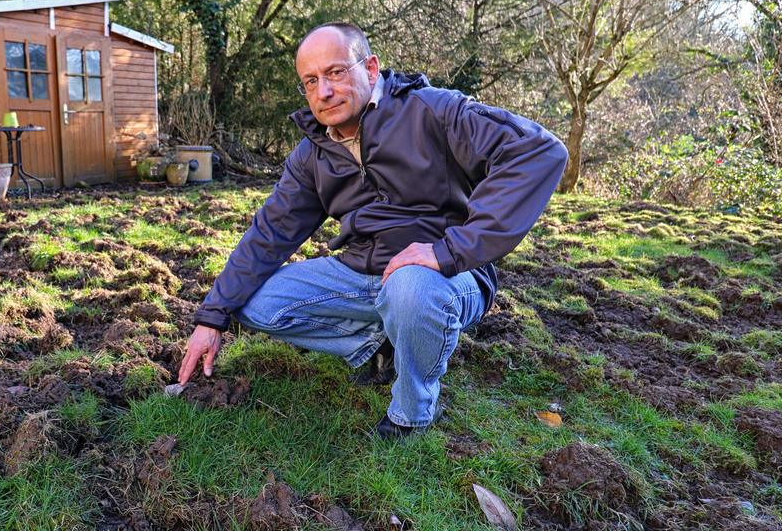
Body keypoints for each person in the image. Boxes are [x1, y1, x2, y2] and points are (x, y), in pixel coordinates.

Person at [176, 22, 568, 440]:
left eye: (336, 72)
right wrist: (212, 317)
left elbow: (539, 152)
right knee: (253, 302)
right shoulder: (313, 153)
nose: (323, 91)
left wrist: (451, 250)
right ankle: (382, 345)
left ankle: (412, 411)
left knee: (411, 289)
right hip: (363, 273)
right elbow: (268, 233)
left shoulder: (433, 111)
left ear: (371, 67)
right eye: (311, 81)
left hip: (449, 275)